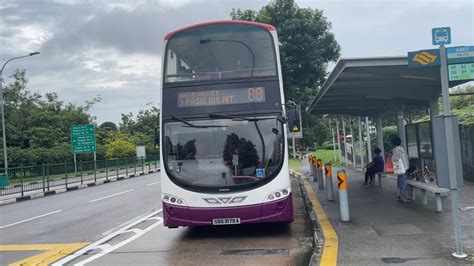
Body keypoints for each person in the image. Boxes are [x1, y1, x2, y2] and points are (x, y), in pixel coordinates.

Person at [391, 136, 410, 202]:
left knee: (402, 182)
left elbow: (395, 159)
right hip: (405, 167)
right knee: (400, 182)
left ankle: (406, 197)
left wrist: (391, 156)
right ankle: (398, 196)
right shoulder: (402, 149)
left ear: (393, 143)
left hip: (400, 168)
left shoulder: (395, 150)